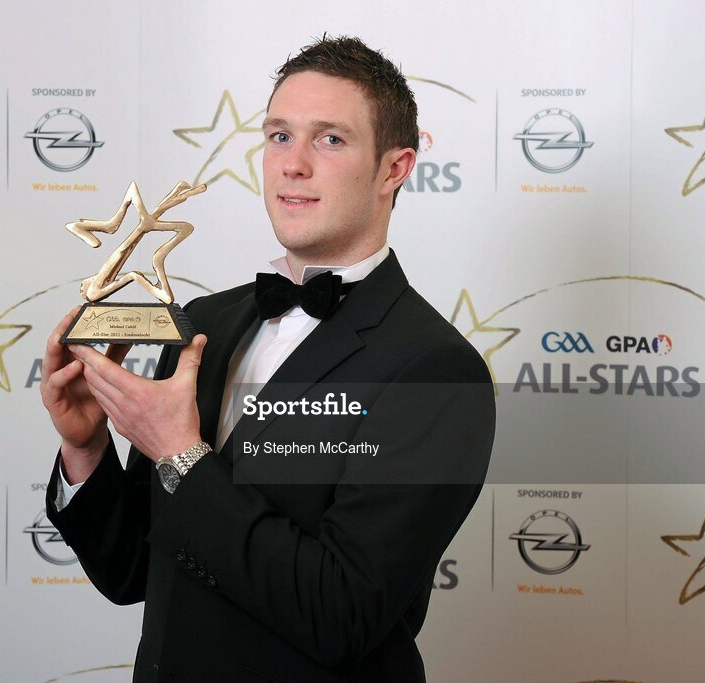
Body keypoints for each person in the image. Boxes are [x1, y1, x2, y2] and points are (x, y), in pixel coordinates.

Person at [41, 35, 495, 682]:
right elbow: (130, 571)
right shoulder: (205, 324)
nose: (293, 164)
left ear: (395, 168)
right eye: (279, 136)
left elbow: (342, 615)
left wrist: (180, 454)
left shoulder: (436, 370)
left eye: (330, 139)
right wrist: (86, 448)